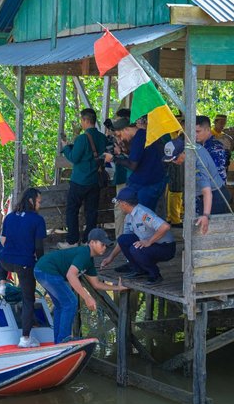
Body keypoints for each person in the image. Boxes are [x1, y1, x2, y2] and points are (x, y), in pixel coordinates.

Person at [35, 228, 127, 344]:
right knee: (70, 303)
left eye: (106, 245)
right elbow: (71, 275)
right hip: (47, 270)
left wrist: (117, 288)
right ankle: (63, 341)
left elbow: (96, 284)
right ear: (92, 242)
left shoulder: (89, 260)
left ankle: (58, 342)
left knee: (61, 306)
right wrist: (87, 297)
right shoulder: (84, 253)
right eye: (102, 244)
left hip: (41, 270)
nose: (105, 247)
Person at [0, 188, 47, 348]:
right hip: (24, 264)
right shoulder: (37, 220)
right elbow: (38, 248)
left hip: (5, 262)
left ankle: (1, 284)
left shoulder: (9, 217)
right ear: (31, 201)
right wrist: (40, 264)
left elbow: (4, 241)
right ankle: (25, 339)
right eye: (38, 202)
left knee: (3, 252)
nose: (39, 205)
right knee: (28, 300)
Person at [101, 187, 176, 285]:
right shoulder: (129, 216)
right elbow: (123, 240)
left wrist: (149, 241)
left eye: (119, 203)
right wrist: (111, 257)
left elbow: (165, 226)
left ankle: (155, 275)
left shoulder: (143, 214)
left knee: (135, 249)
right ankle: (139, 270)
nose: (118, 205)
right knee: (123, 239)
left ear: (125, 204)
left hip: (165, 247)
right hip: (150, 243)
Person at [58, 108, 108, 249]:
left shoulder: (83, 138)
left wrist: (66, 147)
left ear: (86, 120)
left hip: (80, 181)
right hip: (95, 181)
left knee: (72, 210)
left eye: (82, 120)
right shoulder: (102, 137)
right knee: (91, 212)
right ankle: (88, 241)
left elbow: (74, 157)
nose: (81, 123)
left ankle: (73, 240)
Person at [163, 136, 231, 235]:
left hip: (215, 197)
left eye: (175, 159)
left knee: (209, 233)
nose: (174, 162)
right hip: (207, 196)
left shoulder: (196, 163)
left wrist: (206, 215)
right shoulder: (192, 146)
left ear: (183, 152)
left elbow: (207, 192)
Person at [104, 117, 166, 211]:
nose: (121, 138)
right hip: (153, 181)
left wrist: (113, 158)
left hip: (147, 184)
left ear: (126, 129)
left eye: (119, 135)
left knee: (141, 215)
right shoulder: (143, 135)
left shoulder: (139, 139)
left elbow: (132, 165)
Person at [195, 116, 227, 183]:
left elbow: (214, 174)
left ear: (208, 130)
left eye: (198, 131)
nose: (195, 134)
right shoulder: (199, 145)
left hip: (214, 188)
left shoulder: (215, 148)